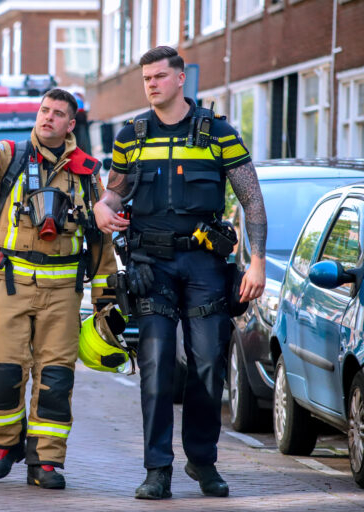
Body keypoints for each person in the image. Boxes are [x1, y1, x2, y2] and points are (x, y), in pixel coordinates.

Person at [94, 46, 267, 499]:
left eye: (158, 76)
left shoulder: (217, 133)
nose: (150, 84)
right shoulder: (131, 135)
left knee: (209, 364)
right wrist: (101, 208)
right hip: (150, 266)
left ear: (180, 79)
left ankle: (202, 461)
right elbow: (115, 193)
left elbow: (251, 198)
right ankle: (157, 470)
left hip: (206, 265)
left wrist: (257, 260)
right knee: (154, 366)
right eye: (145, 78)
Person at [0, 75, 117, 489]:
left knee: (56, 378)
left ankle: (45, 462)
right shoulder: (11, 156)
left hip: (62, 293)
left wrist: (106, 297)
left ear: (70, 124)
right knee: (3, 372)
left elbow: (100, 241)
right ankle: (6, 444)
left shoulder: (87, 175)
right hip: (9, 284)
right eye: (44, 110)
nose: (48, 118)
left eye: (58, 114)